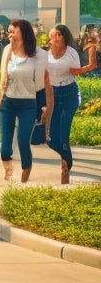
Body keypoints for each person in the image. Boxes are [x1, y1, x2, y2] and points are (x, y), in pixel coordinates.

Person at [0, 19, 53, 183]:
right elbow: (3, 79)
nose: (8, 34)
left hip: (27, 105)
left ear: (23, 33)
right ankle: (9, 173)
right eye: (8, 31)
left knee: (24, 143)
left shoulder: (38, 55)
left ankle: (24, 180)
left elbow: (42, 83)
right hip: (7, 104)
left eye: (12, 31)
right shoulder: (7, 51)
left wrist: (46, 106)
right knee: (5, 150)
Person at [47, 24, 82, 184]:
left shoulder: (71, 52)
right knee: (51, 137)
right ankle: (65, 161)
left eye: (60, 35)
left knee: (63, 134)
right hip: (53, 95)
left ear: (65, 37)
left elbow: (76, 70)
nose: (57, 37)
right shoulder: (47, 53)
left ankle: (66, 166)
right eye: (55, 35)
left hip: (69, 94)